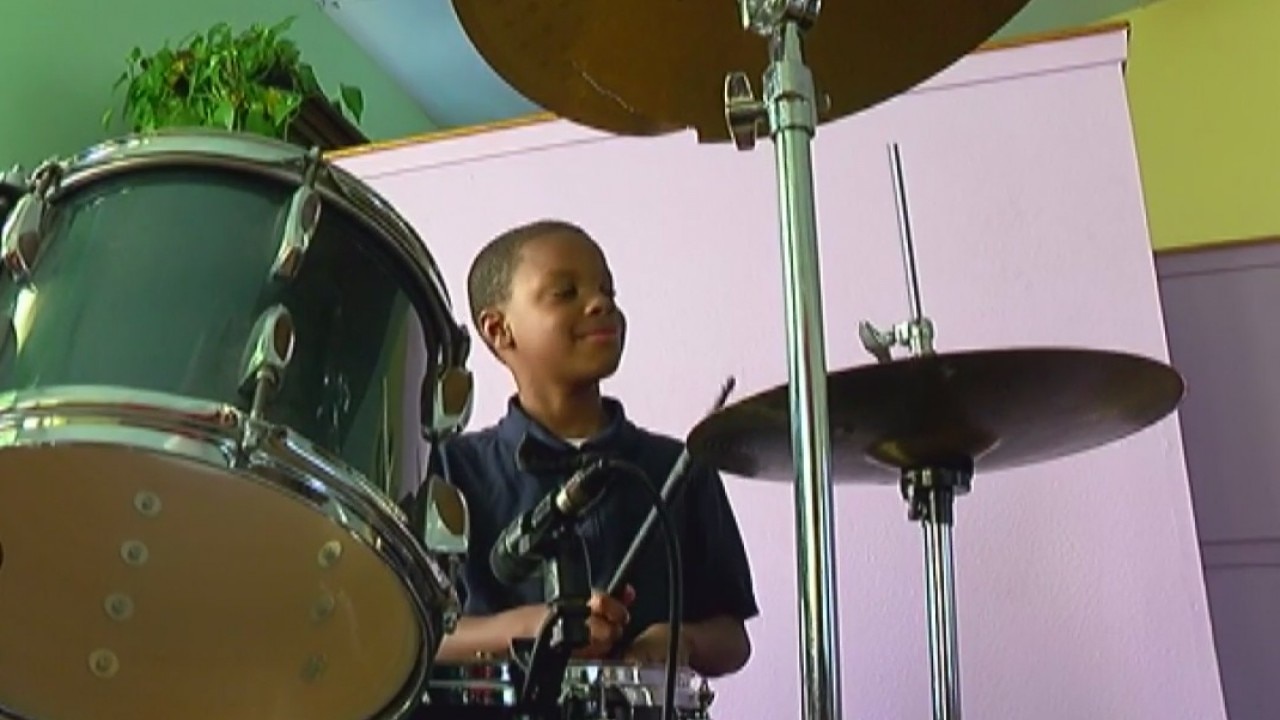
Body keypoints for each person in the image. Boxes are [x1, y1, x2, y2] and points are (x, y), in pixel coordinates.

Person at [436, 219, 758, 678]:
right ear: (499, 329)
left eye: (608, 290)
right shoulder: (449, 470)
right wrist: (535, 627)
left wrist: (680, 640)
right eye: (565, 293)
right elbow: (411, 636)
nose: (601, 303)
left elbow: (733, 639)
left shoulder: (681, 465)